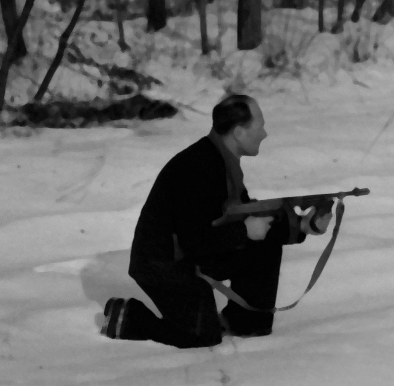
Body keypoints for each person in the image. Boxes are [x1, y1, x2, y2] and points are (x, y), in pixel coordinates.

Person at [105, 94, 329, 347]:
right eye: (260, 126)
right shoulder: (198, 168)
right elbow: (194, 240)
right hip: (164, 264)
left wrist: (303, 226)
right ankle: (127, 317)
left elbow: (247, 218)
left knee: (263, 247)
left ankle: (247, 323)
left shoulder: (221, 160)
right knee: (201, 336)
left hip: (189, 254)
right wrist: (244, 232)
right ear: (239, 132)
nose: (265, 134)